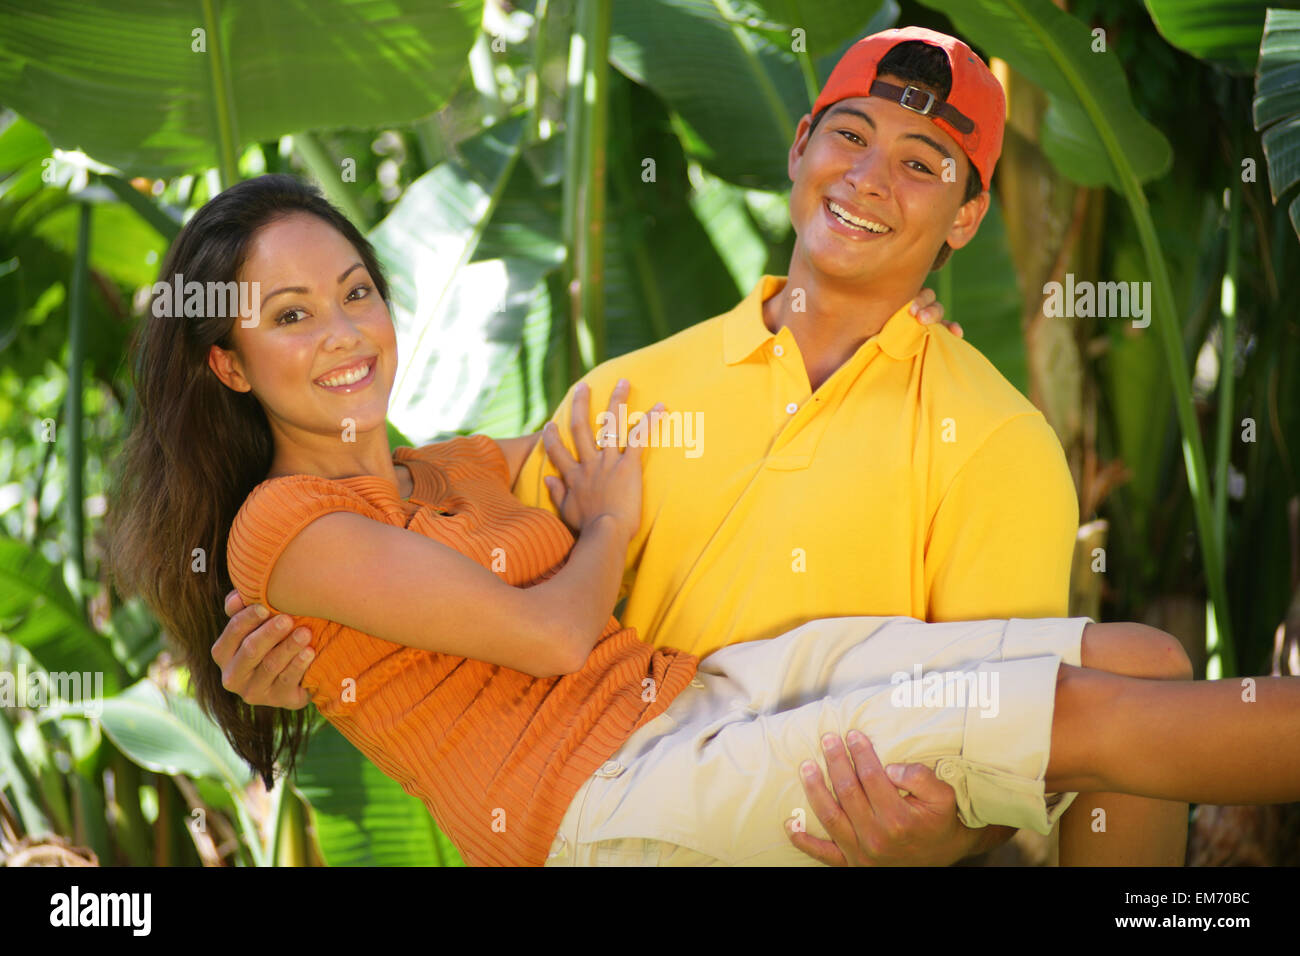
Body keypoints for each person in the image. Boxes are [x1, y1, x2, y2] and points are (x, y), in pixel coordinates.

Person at [112, 174, 1300, 869]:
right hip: (609, 798)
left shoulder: (461, 467)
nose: (343, 333)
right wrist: (608, 533)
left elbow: (653, 411)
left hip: (696, 698)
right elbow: (552, 638)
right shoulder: (287, 525)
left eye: (357, 291)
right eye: (291, 314)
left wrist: (849, 309)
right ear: (226, 362)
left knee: (1142, 655)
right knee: (1086, 713)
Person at [220, 27, 1183, 865]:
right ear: (800, 147)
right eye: (849, 136)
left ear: (965, 218)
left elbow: (1014, 735)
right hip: (627, 819)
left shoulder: (996, 440)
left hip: (820, 845)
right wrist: (271, 639)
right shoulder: (628, 394)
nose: (867, 178)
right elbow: (415, 540)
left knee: (1135, 687)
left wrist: (939, 838)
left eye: (921, 163)